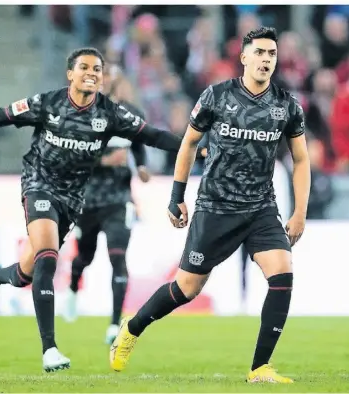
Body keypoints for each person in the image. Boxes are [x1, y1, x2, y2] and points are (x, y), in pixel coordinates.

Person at [0, 47, 203, 372]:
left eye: (97, 69)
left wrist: (194, 146)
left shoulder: (110, 113)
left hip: (73, 198)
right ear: (70, 74)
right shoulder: (46, 104)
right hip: (38, 184)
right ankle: (49, 349)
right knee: (48, 255)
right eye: (84, 67)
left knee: (26, 273)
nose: (92, 73)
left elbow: (151, 135)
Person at [109, 27, 310, 385]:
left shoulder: (286, 106)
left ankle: (260, 367)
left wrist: (299, 212)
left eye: (272, 54)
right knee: (187, 288)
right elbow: (188, 145)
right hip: (216, 207)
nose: (266, 59)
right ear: (244, 57)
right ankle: (132, 328)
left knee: (282, 273)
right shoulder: (217, 96)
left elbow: (301, 159)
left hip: (261, 207)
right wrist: (176, 196)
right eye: (260, 52)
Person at [60, 64, 149, 344]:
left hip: (119, 199)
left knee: (118, 258)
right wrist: (103, 160)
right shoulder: (79, 113)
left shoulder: (130, 113)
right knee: (83, 258)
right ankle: (73, 288)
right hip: (87, 199)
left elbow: (139, 146)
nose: (106, 82)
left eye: (111, 77)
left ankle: (113, 324)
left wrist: (143, 167)